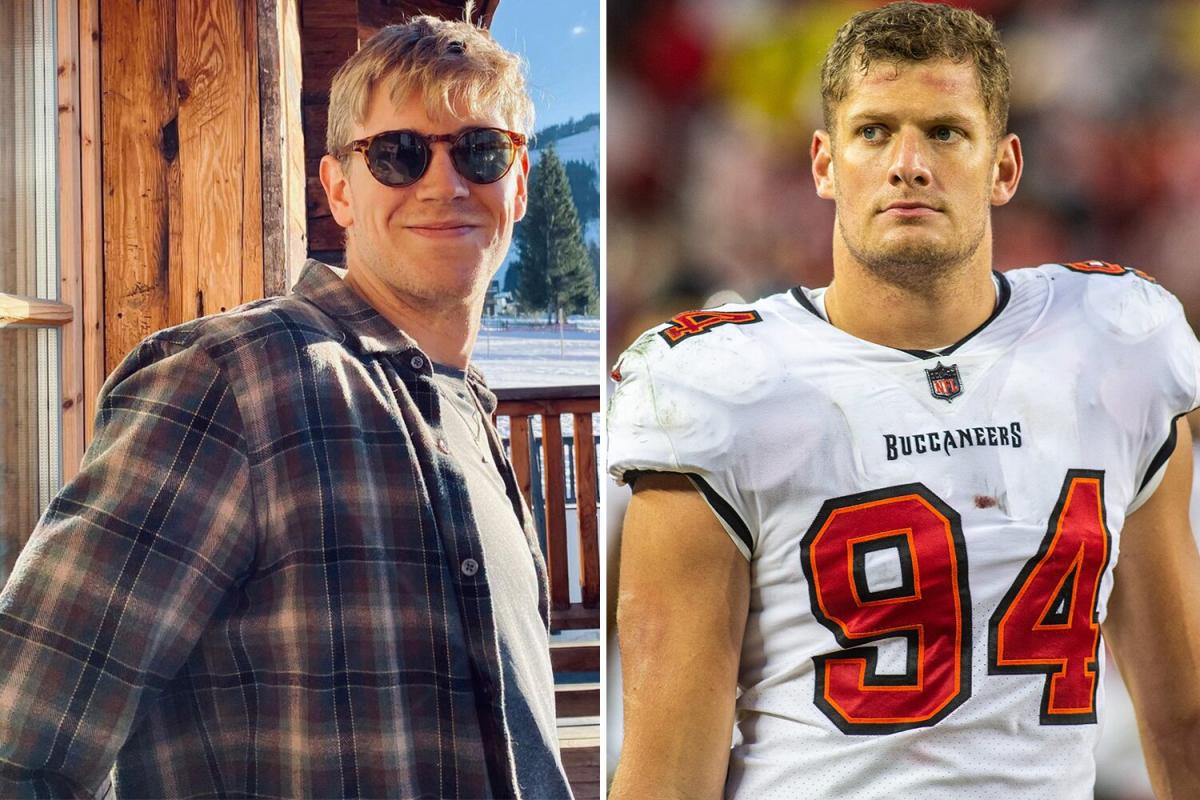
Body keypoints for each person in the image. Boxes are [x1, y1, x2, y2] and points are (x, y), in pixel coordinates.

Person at [607, 2, 1200, 798]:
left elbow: (1182, 715)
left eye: (946, 132)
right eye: (874, 131)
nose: (908, 163)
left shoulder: (1115, 344)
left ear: (1005, 167)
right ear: (823, 163)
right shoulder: (722, 388)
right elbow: (667, 777)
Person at [0, 14, 573, 800]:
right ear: (338, 188)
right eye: (399, 154)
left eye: (479, 149)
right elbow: (22, 749)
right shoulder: (230, 380)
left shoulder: (468, 409)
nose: (445, 183)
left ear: (520, 180)